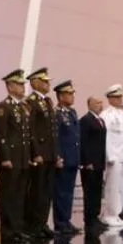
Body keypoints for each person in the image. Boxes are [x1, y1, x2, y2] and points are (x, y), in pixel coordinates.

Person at [0, 69, 33, 244]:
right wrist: (5, 157)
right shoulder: (4, 107)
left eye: (23, 84)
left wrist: (29, 156)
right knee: (9, 196)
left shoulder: (22, 107)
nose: (23, 87)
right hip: (9, 159)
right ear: (9, 86)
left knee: (20, 196)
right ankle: (9, 231)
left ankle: (18, 228)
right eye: (19, 84)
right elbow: (1, 135)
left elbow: (25, 135)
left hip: (22, 159)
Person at [25, 68, 58, 240]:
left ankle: (43, 222)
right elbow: (31, 130)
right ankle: (34, 224)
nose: (48, 84)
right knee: (37, 191)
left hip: (50, 153)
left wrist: (56, 154)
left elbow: (53, 131)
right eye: (44, 81)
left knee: (46, 191)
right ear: (35, 82)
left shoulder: (47, 101)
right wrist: (35, 152)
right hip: (40, 154)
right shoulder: (31, 102)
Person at [98, 86, 123, 229]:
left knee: (122, 187)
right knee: (112, 187)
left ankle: (116, 214)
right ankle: (109, 214)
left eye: (120, 97)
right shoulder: (106, 115)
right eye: (117, 97)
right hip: (114, 156)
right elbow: (105, 137)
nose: (120, 99)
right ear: (110, 98)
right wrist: (109, 155)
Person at [53, 80, 82, 235]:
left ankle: (67, 220)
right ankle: (60, 223)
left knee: (69, 192)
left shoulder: (72, 113)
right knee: (61, 192)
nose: (72, 96)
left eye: (72, 93)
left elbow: (76, 137)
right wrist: (57, 156)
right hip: (63, 159)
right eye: (69, 94)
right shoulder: (56, 113)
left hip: (72, 158)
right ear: (61, 96)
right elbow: (56, 137)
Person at [78, 95, 106, 229]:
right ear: (89, 105)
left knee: (97, 191)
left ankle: (95, 216)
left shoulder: (100, 120)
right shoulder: (85, 120)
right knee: (90, 191)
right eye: (96, 103)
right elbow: (83, 142)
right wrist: (86, 161)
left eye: (100, 103)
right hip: (90, 163)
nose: (99, 105)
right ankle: (89, 219)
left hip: (99, 162)